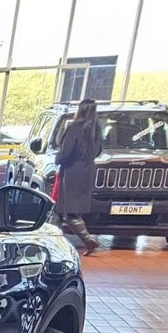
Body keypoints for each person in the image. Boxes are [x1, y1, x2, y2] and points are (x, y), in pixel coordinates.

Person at [55, 99, 102, 255]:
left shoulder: (74, 128)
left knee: (68, 211)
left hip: (72, 172)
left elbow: (66, 152)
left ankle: (88, 240)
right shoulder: (96, 129)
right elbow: (98, 151)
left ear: (80, 110)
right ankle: (82, 240)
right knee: (72, 210)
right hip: (88, 171)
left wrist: (58, 159)